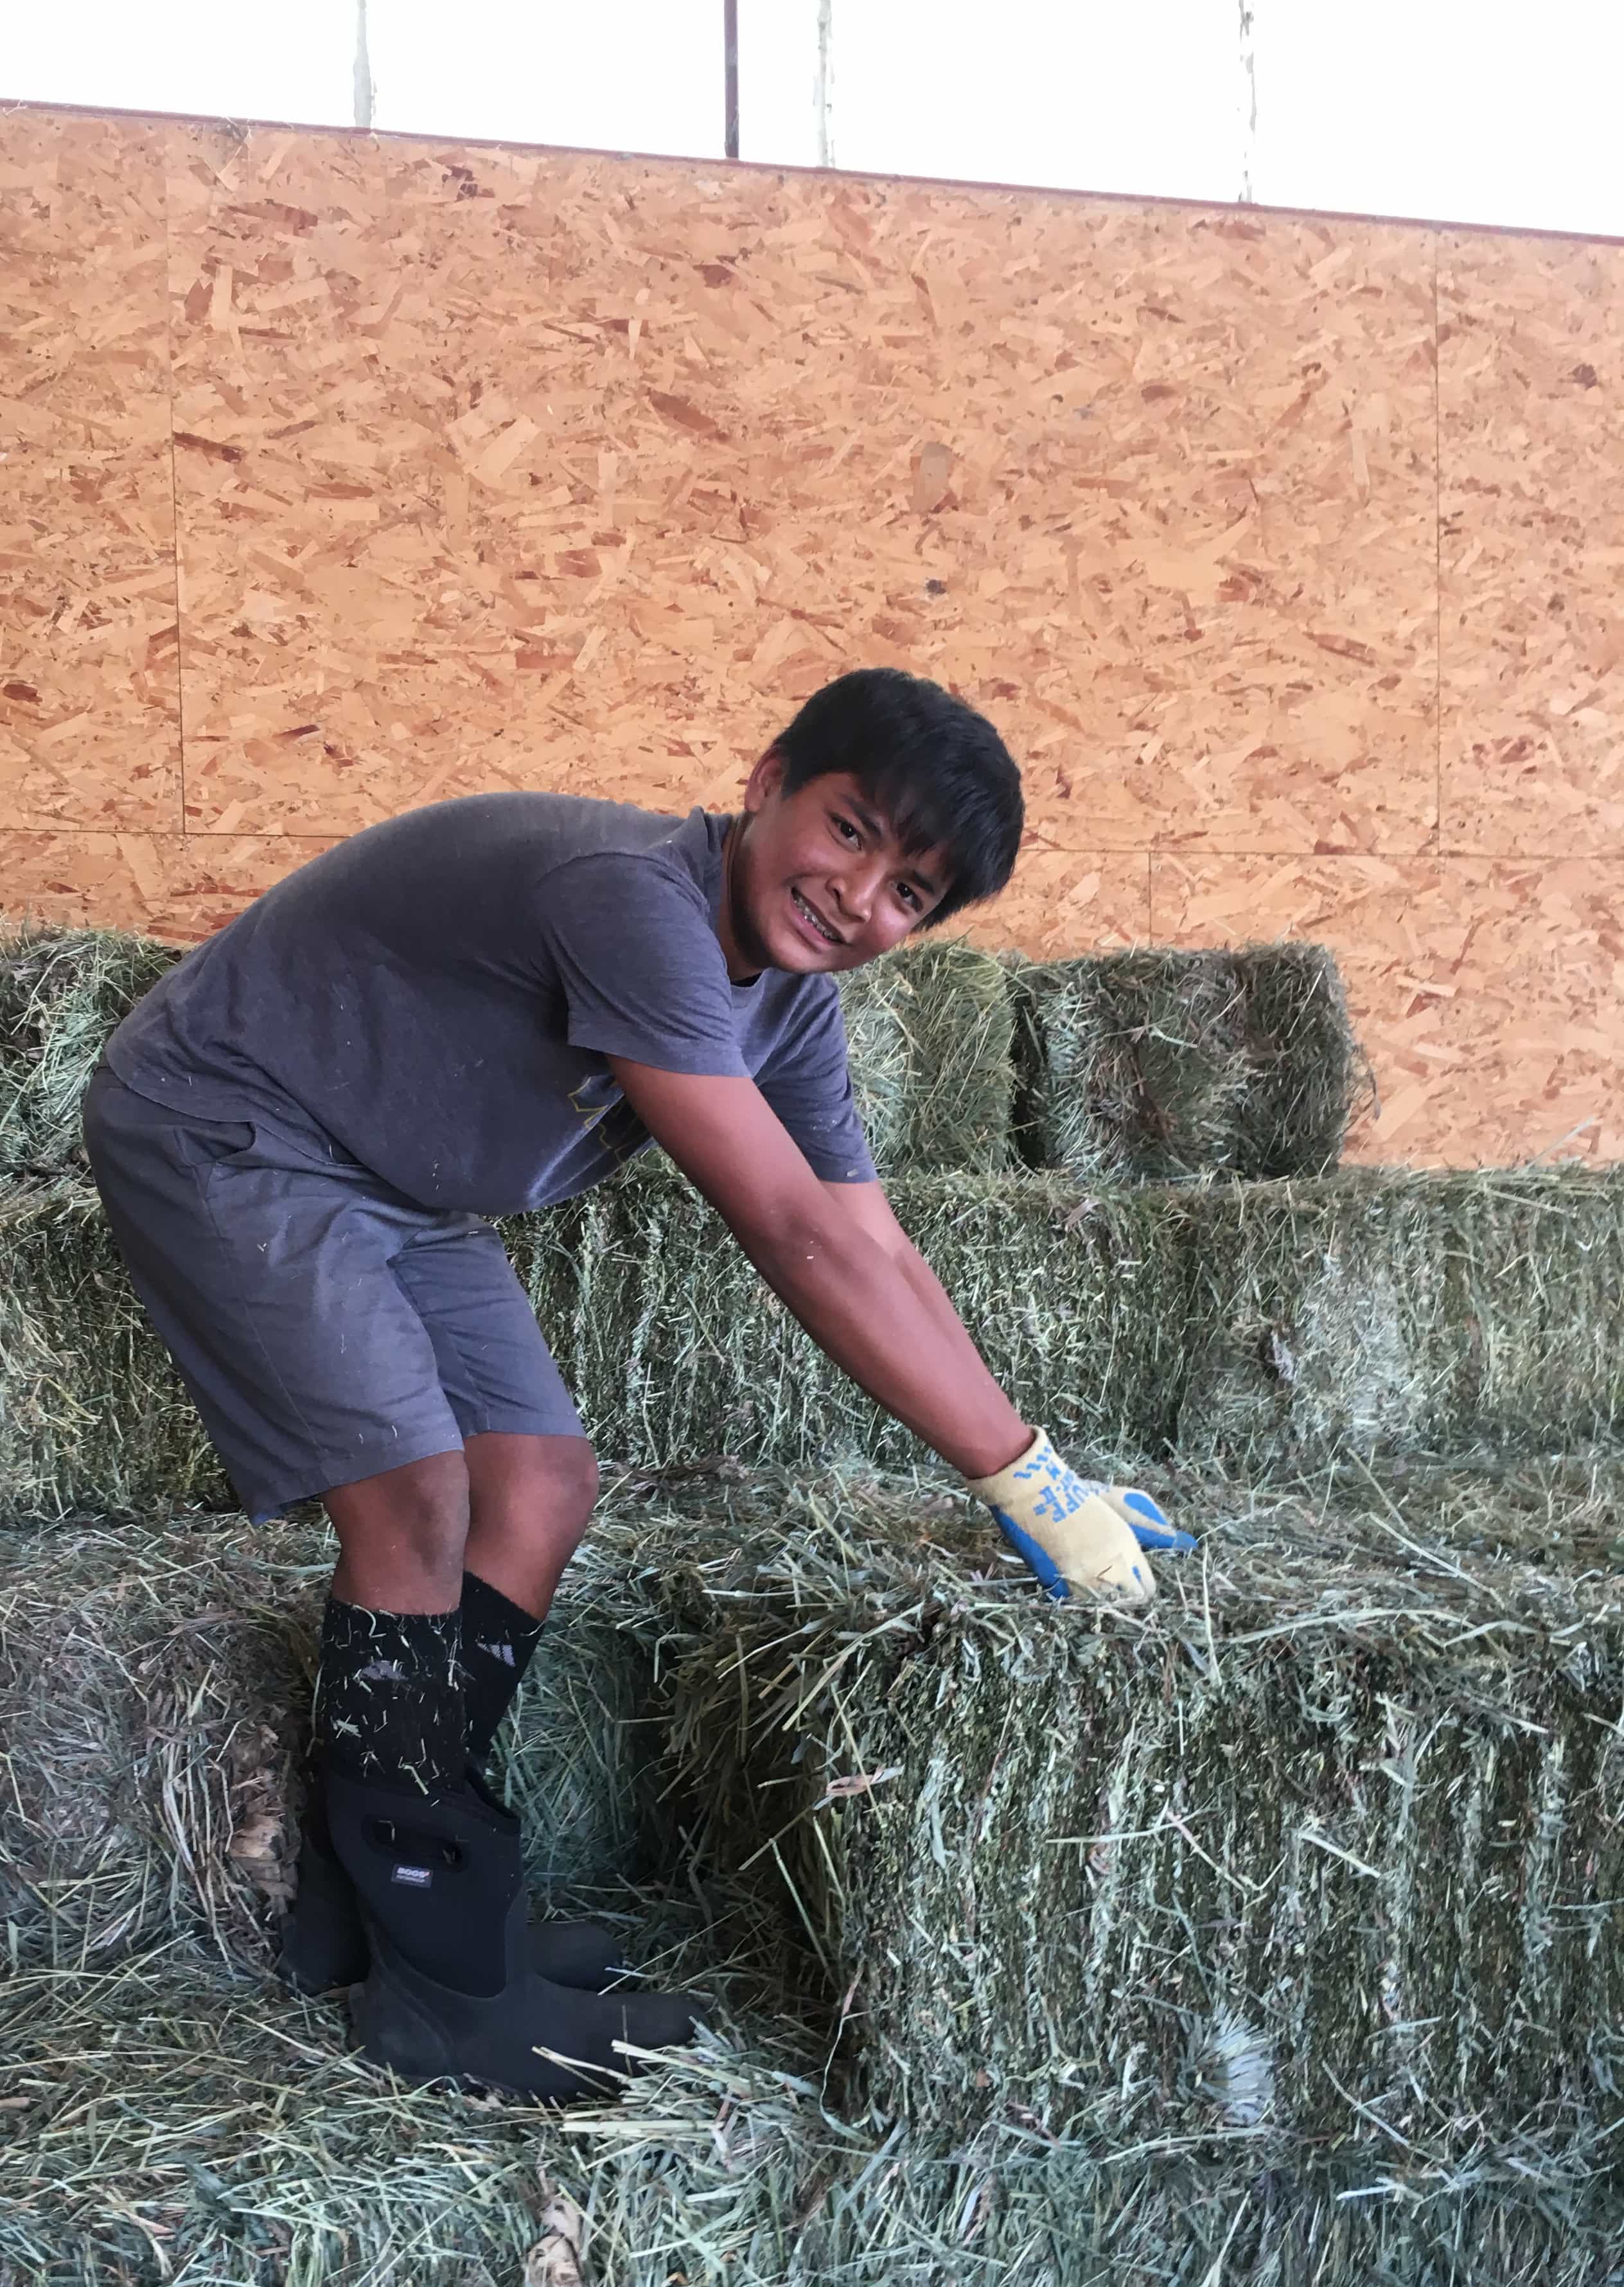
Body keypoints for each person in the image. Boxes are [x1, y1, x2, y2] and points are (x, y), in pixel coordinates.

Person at [83, 667, 1194, 2103]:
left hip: (391, 1184)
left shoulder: (789, 1014)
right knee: (416, 1495)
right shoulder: (631, 898)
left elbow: (870, 1239)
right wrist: (1014, 1477)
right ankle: (440, 1993)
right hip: (229, 1120)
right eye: (849, 831)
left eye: (909, 894)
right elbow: (791, 1235)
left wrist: (1046, 1475)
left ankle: (392, 1903)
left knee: (540, 1483)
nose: (860, 899)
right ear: (766, 780)